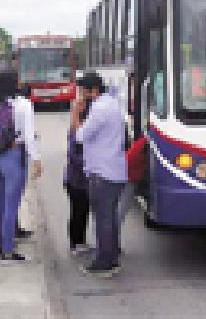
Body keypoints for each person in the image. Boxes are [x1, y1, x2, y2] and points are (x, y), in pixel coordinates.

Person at [71, 72, 127, 277]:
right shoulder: (111, 104)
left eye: (83, 91)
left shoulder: (100, 109)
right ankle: (111, 256)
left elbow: (80, 136)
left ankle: (105, 262)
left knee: (103, 218)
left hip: (103, 172)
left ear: (93, 91)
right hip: (113, 170)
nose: (81, 95)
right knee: (109, 217)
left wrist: (76, 115)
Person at [0, 70, 43, 262]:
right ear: (15, 83)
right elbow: (28, 135)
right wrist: (36, 159)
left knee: (0, 202)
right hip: (13, 156)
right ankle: (8, 249)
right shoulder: (24, 105)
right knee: (12, 205)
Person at [64, 97, 92, 257]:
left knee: (83, 210)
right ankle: (75, 243)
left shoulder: (81, 128)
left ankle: (80, 241)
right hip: (76, 179)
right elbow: (73, 156)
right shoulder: (75, 131)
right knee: (78, 211)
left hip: (82, 178)